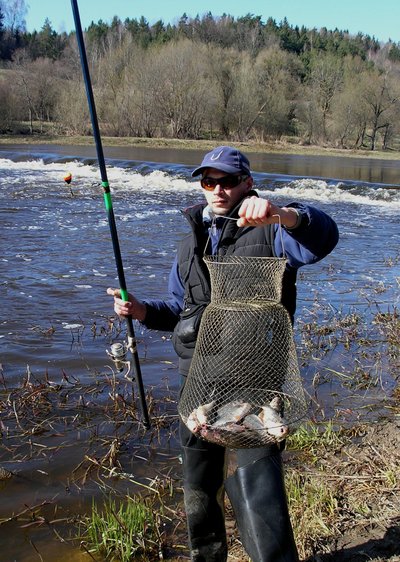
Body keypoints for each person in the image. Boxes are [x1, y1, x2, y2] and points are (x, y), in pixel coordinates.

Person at [107, 146, 339, 562]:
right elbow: (180, 308)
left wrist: (284, 214)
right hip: (196, 382)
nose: (217, 189)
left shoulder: (273, 229)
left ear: (247, 183)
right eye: (208, 181)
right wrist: (142, 310)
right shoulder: (190, 238)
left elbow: (323, 235)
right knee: (198, 489)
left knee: (257, 492)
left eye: (228, 180)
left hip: (255, 384)